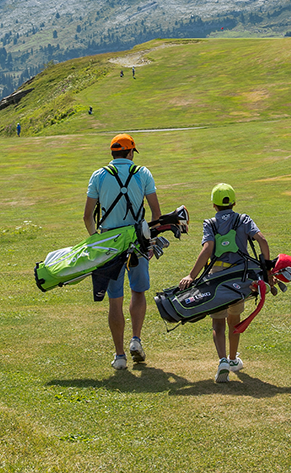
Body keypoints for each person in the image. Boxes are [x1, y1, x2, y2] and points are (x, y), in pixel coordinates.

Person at [83, 134, 162, 370]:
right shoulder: (143, 173)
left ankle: (119, 356)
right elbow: (156, 214)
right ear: (130, 153)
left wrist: (97, 240)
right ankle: (136, 340)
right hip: (137, 241)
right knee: (138, 291)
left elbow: (87, 217)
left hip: (109, 244)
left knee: (114, 301)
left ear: (112, 154)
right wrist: (150, 242)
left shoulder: (99, 176)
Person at [179, 183, 271, 383]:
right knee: (234, 320)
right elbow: (262, 241)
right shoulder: (243, 219)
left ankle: (222, 361)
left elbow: (207, 249)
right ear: (234, 202)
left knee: (217, 322)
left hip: (217, 277)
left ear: (214, 205)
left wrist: (191, 276)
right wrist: (267, 269)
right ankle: (232, 359)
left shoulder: (209, 223)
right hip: (240, 276)